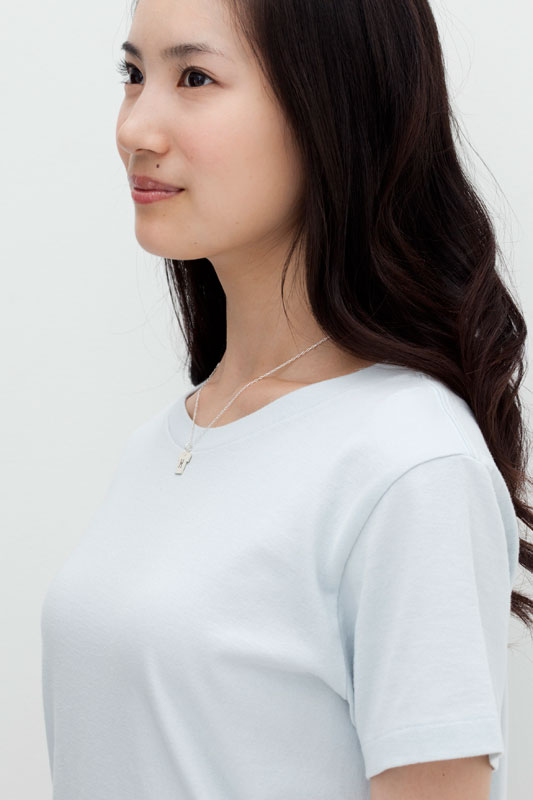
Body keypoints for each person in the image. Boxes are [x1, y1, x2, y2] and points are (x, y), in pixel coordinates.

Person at [41, 0, 532, 798]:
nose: (135, 128)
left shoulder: (410, 466)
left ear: (330, 103)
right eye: (133, 74)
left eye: (194, 77)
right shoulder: (168, 441)